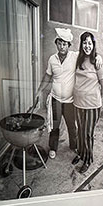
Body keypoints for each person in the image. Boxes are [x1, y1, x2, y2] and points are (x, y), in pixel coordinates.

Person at [35, 28, 77, 159]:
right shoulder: (52, 59)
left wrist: (97, 59)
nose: (62, 46)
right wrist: (39, 91)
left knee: (72, 126)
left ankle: (73, 145)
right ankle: (53, 148)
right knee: (55, 126)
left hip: (70, 101)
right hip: (56, 99)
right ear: (56, 43)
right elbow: (47, 76)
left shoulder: (74, 57)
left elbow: (90, 55)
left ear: (68, 45)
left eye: (65, 44)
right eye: (59, 43)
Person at [72, 32, 103, 174]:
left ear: (93, 45)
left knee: (88, 133)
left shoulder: (97, 62)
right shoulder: (77, 59)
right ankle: (80, 154)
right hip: (78, 104)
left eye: (89, 43)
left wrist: (95, 98)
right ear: (81, 44)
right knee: (80, 131)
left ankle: (88, 159)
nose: (87, 46)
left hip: (92, 106)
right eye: (84, 43)